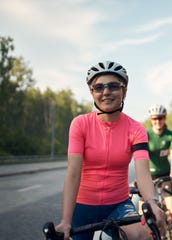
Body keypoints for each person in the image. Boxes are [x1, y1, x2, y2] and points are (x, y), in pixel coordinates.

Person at [55, 61, 163, 240]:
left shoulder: (136, 129)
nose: (105, 92)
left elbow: (143, 174)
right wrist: (66, 221)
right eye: (98, 87)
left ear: (124, 91)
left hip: (118, 205)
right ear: (92, 92)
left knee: (143, 236)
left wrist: (152, 201)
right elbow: (73, 173)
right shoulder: (80, 124)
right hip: (82, 208)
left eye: (113, 86)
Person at [147, 104, 172, 240]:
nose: (158, 121)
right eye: (155, 118)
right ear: (151, 119)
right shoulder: (146, 134)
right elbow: (141, 157)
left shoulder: (170, 135)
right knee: (143, 211)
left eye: (161, 118)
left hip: (166, 175)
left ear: (165, 118)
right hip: (148, 176)